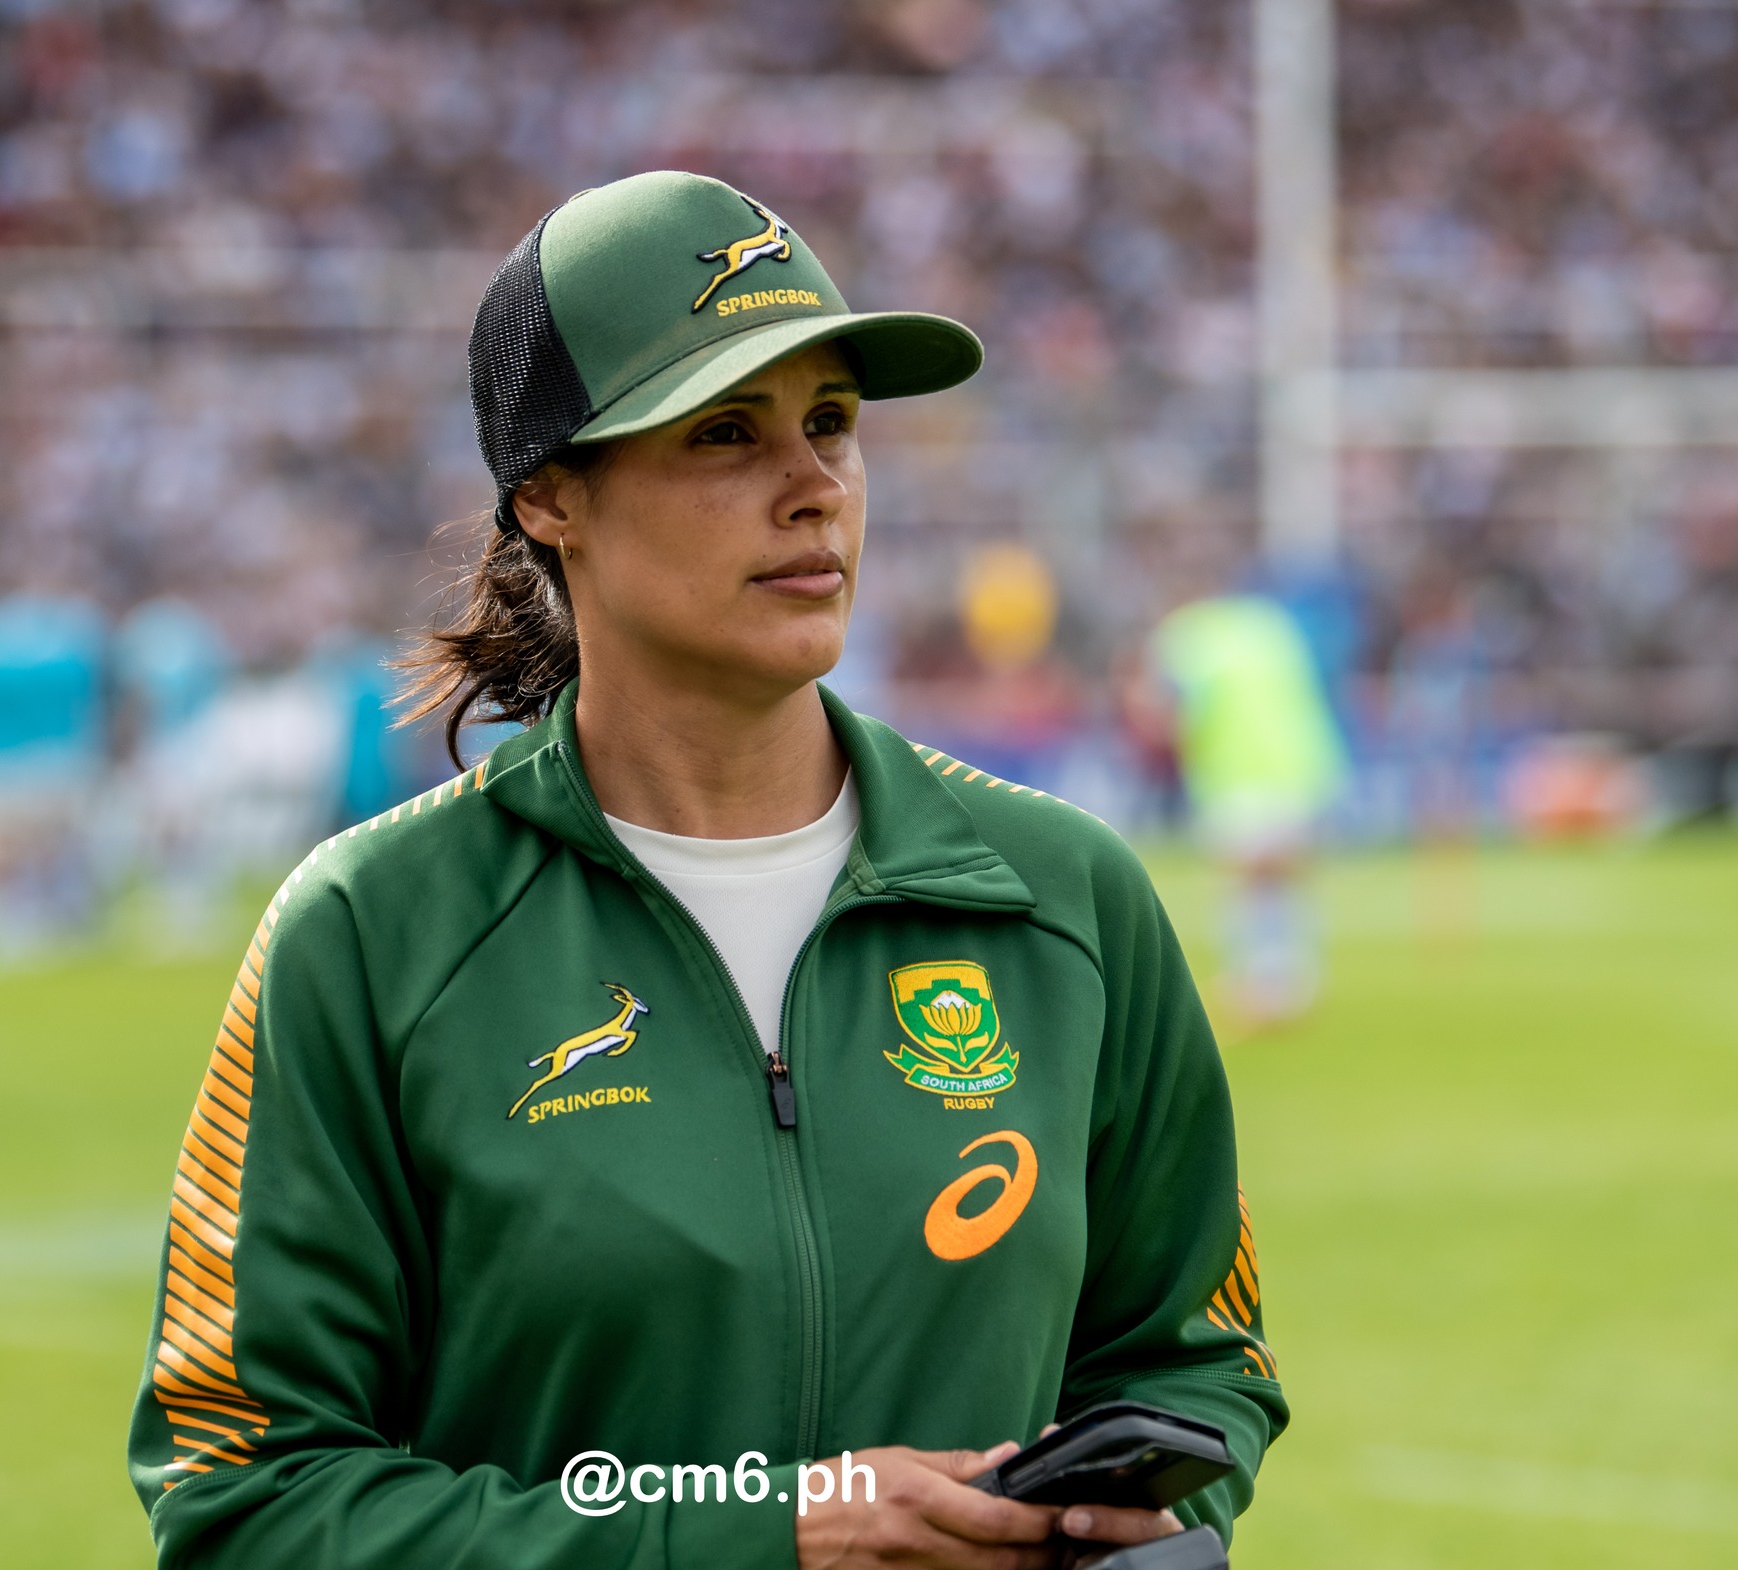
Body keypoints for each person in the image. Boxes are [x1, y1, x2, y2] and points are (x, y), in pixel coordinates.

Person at [127, 171, 1287, 1570]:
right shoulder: (370, 933)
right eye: (728, 433)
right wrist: (766, 1534)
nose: (813, 488)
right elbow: (245, 1500)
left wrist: (1112, 1516)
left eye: (834, 425)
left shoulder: (1066, 894)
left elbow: (1197, 1361)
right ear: (551, 496)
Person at [1143, 581, 1347, 1026]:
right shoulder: (1269, 624)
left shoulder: (1183, 637)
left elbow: (1167, 712)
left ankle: (1260, 986)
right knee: (1282, 881)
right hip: (1305, 763)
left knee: (1249, 881)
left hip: (1241, 776)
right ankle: (1290, 981)